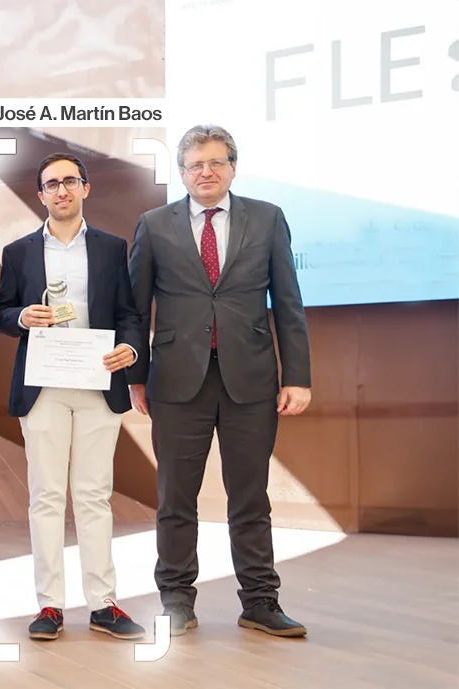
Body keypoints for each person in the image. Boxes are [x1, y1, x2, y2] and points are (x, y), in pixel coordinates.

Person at [127, 124, 312, 637]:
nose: (205, 172)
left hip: (251, 381)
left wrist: (297, 375)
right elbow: (136, 309)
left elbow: (288, 303)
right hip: (174, 382)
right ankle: (176, 602)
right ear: (182, 172)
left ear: (233, 166)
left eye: (215, 163)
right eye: (194, 165)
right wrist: (135, 378)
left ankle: (260, 602)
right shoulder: (154, 223)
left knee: (250, 497)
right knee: (175, 499)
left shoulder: (268, 219)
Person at [0, 153, 146, 642]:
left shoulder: (109, 248)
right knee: (47, 496)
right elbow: (1, 313)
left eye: (69, 182)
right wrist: (21, 318)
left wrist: (129, 346)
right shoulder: (18, 252)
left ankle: (103, 604)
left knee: (94, 495)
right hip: (44, 387)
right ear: (40, 195)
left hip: (99, 382)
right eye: (51, 184)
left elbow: (129, 313)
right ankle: (50, 605)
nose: (61, 190)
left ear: (85, 189)